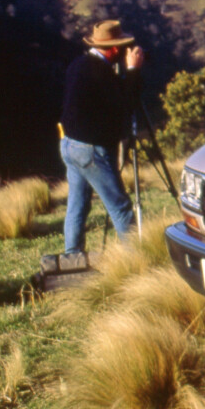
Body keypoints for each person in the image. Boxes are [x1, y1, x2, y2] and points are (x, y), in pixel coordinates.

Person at [59, 19, 144, 258]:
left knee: (77, 206)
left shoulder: (79, 64)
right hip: (90, 149)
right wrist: (134, 71)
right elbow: (126, 105)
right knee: (121, 208)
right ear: (115, 49)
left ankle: (72, 257)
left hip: (69, 144)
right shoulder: (102, 72)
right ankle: (136, 259)